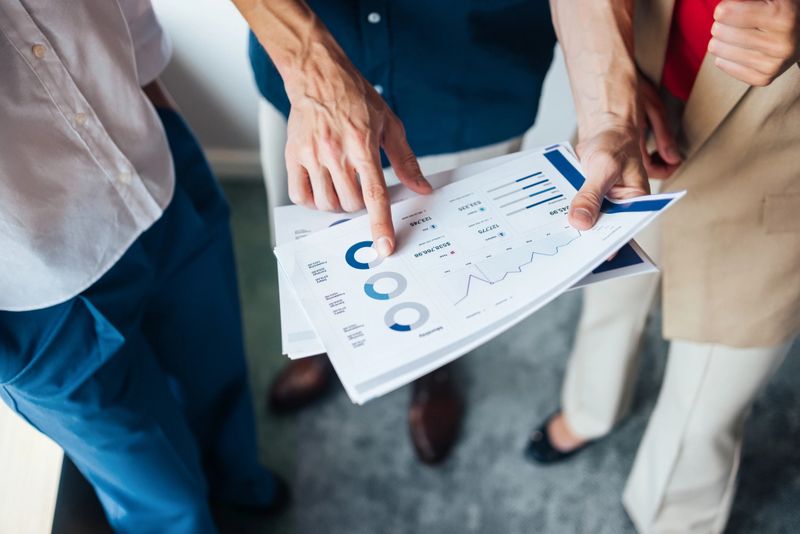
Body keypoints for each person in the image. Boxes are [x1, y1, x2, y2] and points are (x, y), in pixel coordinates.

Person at [0, 1, 290, 532]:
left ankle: (238, 478)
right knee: (157, 492)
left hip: (149, 167)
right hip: (33, 290)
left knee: (217, 367)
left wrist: (160, 103)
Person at [525, 0, 800, 532]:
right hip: (644, 98)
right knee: (611, 291)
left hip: (778, 166)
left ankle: (673, 518)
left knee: (709, 393)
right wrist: (610, 99)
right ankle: (590, 409)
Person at [243, 0, 557, 463]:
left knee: (458, 263)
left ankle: (433, 363)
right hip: (299, 70)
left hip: (473, 73)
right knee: (307, 244)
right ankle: (320, 337)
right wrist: (312, 67)